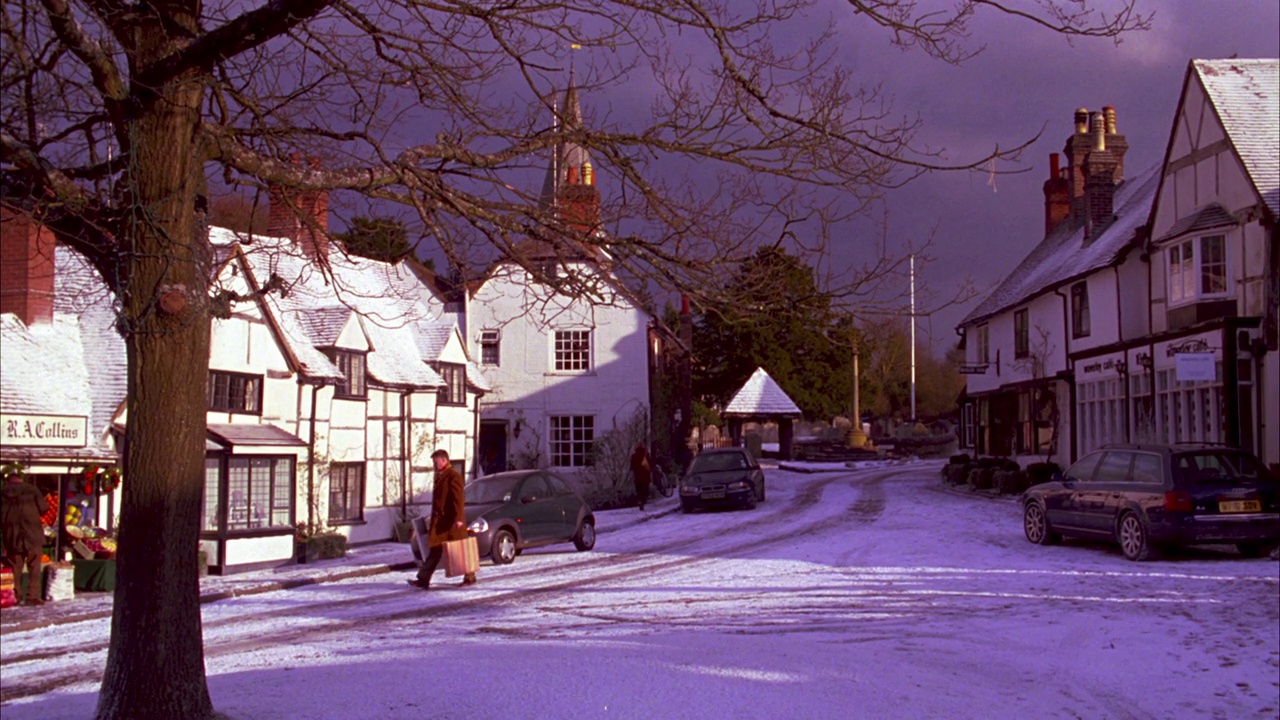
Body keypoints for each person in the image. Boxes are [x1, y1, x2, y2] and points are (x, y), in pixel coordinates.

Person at [407, 449, 476, 589]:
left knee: (460, 549)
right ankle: (423, 579)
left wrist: (458, 519)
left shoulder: (453, 476)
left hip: (451, 523)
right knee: (435, 549)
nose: (435, 465)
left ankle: (470, 576)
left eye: (436, 462)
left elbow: (458, 499)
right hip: (441, 523)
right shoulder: (441, 476)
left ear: (444, 460)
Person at [1, 469, 47, 606]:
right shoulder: (32, 490)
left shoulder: (2, 493)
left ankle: (15, 595)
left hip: (11, 535)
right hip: (32, 533)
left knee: (15, 566)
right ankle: (32, 596)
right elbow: (44, 508)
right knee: (34, 565)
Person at [630, 443, 652, 511]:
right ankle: (643, 501)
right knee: (645, 490)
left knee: (638, 490)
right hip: (645, 477)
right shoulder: (646, 455)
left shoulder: (634, 456)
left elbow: (632, 466)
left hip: (637, 477)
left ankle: (640, 501)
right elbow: (650, 464)